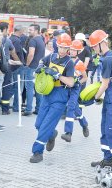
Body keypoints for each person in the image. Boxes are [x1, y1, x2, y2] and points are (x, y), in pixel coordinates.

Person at [29, 33, 74, 163]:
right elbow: (42, 61)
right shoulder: (52, 56)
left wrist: (57, 75)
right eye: (60, 47)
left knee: (45, 126)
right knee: (38, 124)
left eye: (65, 48)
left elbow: (70, 82)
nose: (62, 50)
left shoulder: (69, 63)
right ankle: (52, 134)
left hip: (60, 96)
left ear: (68, 49)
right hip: (47, 94)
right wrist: (39, 67)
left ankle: (37, 152)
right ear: (56, 45)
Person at [88, 30, 112, 172]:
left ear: (101, 43)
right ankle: (108, 158)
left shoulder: (108, 59)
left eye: (94, 46)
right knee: (104, 126)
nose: (93, 49)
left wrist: (95, 97)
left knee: (111, 127)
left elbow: (104, 84)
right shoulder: (107, 56)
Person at [61, 40, 89, 143]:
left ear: (79, 52)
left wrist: (77, 83)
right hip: (65, 87)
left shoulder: (80, 64)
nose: (72, 51)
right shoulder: (66, 60)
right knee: (76, 108)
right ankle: (84, 124)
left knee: (71, 107)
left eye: (74, 50)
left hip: (74, 88)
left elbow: (85, 78)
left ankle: (68, 133)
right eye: (71, 49)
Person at [23, 24, 45, 116]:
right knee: (38, 89)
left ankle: (28, 109)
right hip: (39, 67)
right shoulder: (41, 40)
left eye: (31, 30)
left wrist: (27, 65)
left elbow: (31, 54)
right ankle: (38, 108)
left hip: (32, 67)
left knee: (29, 89)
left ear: (36, 31)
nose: (29, 31)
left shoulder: (32, 41)